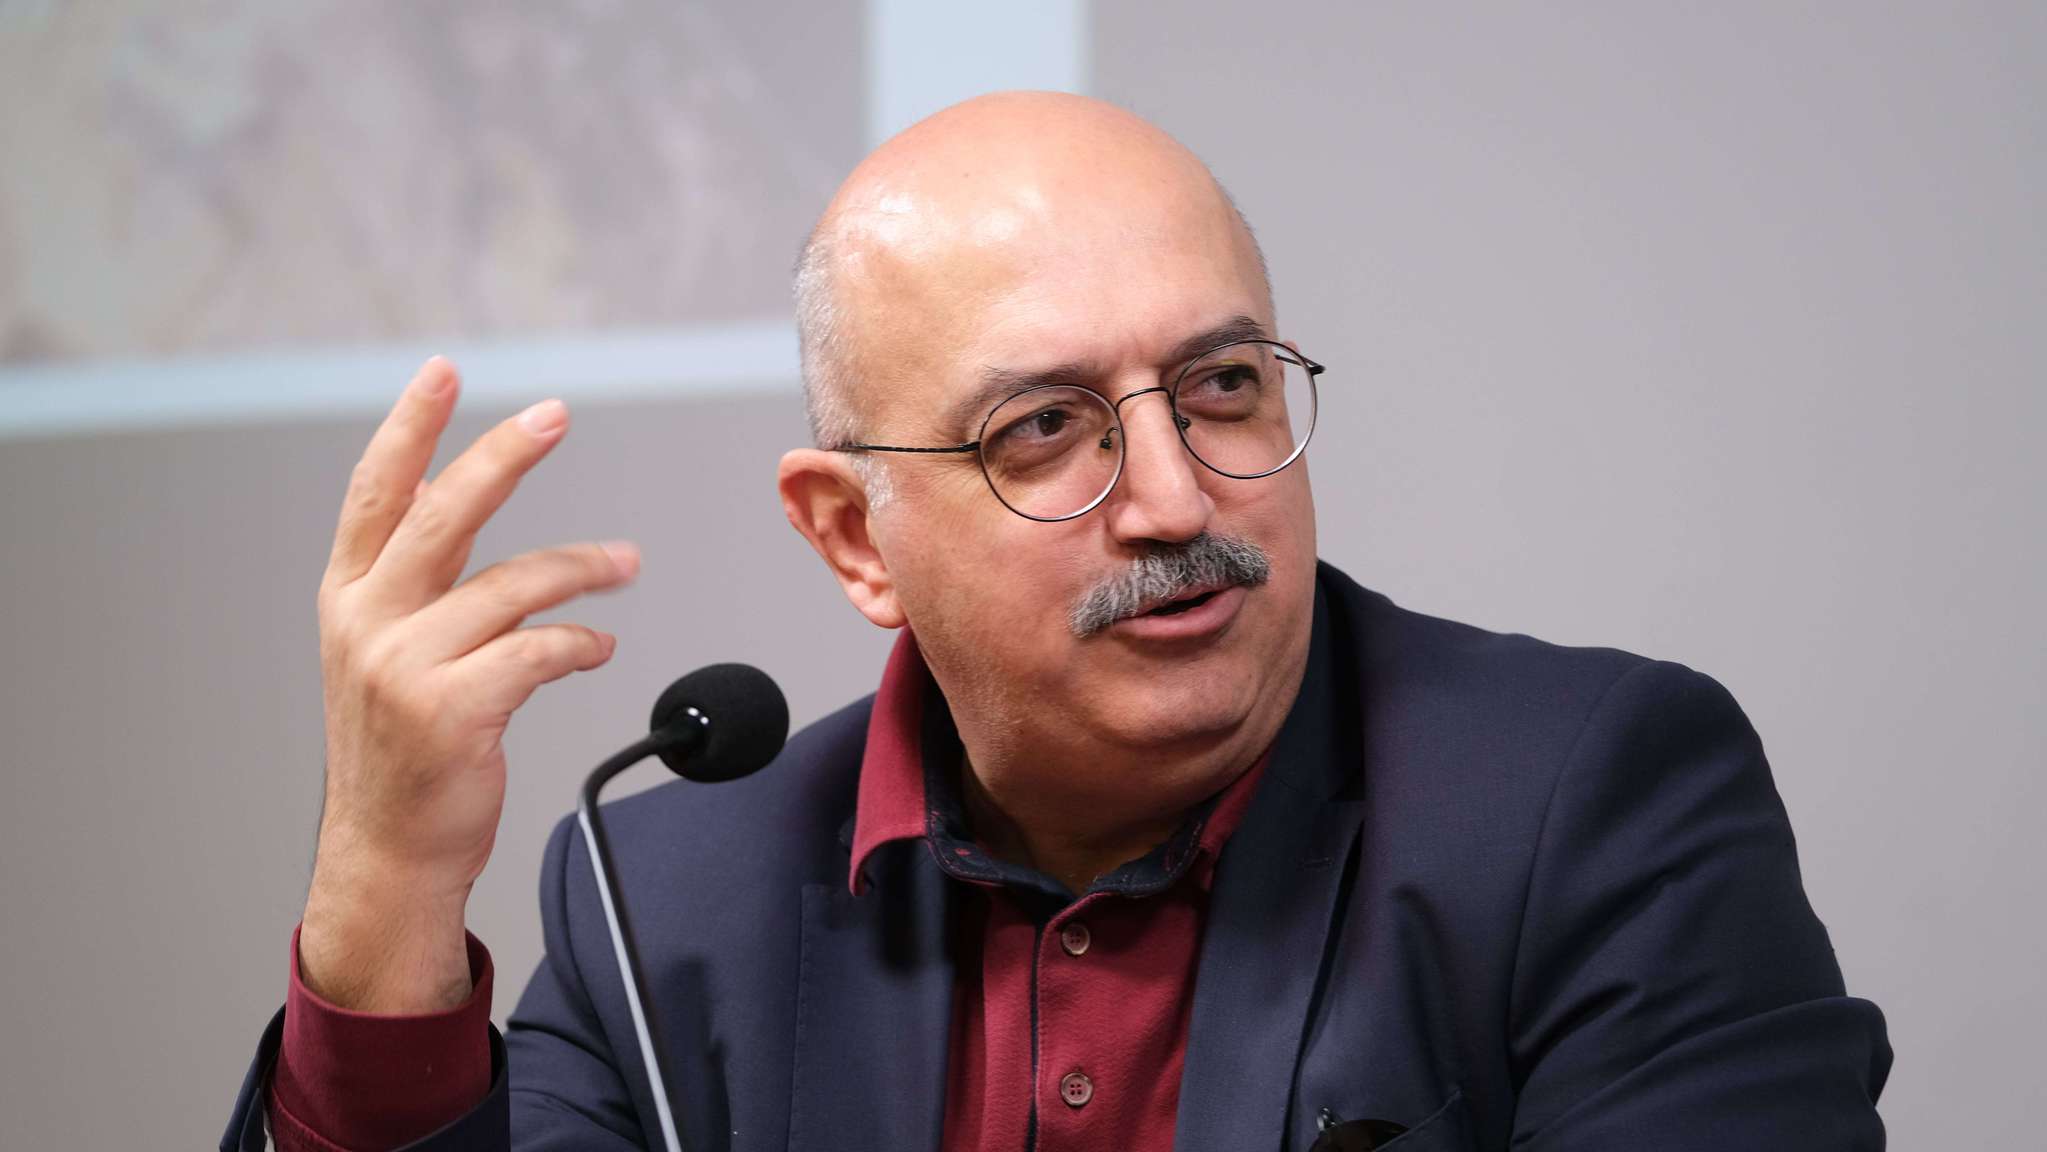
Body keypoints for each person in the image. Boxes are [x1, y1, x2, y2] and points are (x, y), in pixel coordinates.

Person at [222, 92, 1890, 1152]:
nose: (1173, 499)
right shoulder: (665, 905)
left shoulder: (1587, 804)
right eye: (1045, 429)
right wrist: (386, 888)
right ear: (854, 538)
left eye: (1222, 388)